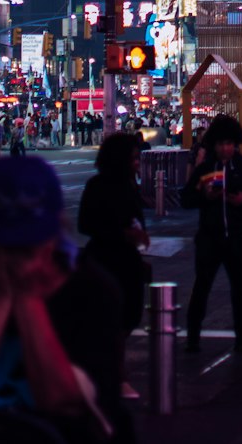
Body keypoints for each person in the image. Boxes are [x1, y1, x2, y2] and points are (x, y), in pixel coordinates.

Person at [0, 157, 130, 443]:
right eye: (0, 244)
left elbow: (63, 400)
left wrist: (27, 298)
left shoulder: (90, 292)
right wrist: (0, 299)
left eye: (25, 243)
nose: (12, 255)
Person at [181, 114, 242, 353]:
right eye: (220, 144)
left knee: (239, 289)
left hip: (237, 237)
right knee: (201, 287)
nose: (225, 148)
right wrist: (204, 196)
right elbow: (186, 199)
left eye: (229, 143)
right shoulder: (205, 169)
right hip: (209, 237)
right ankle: (193, 337)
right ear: (213, 145)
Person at [78, 132, 150, 399]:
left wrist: (139, 239)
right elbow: (85, 223)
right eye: (132, 158)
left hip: (128, 259)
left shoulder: (129, 185)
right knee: (115, 319)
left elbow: (135, 220)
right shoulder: (98, 185)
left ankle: (106, 369)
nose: (136, 162)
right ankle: (117, 376)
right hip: (106, 259)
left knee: (129, 317)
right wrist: (122, 234)